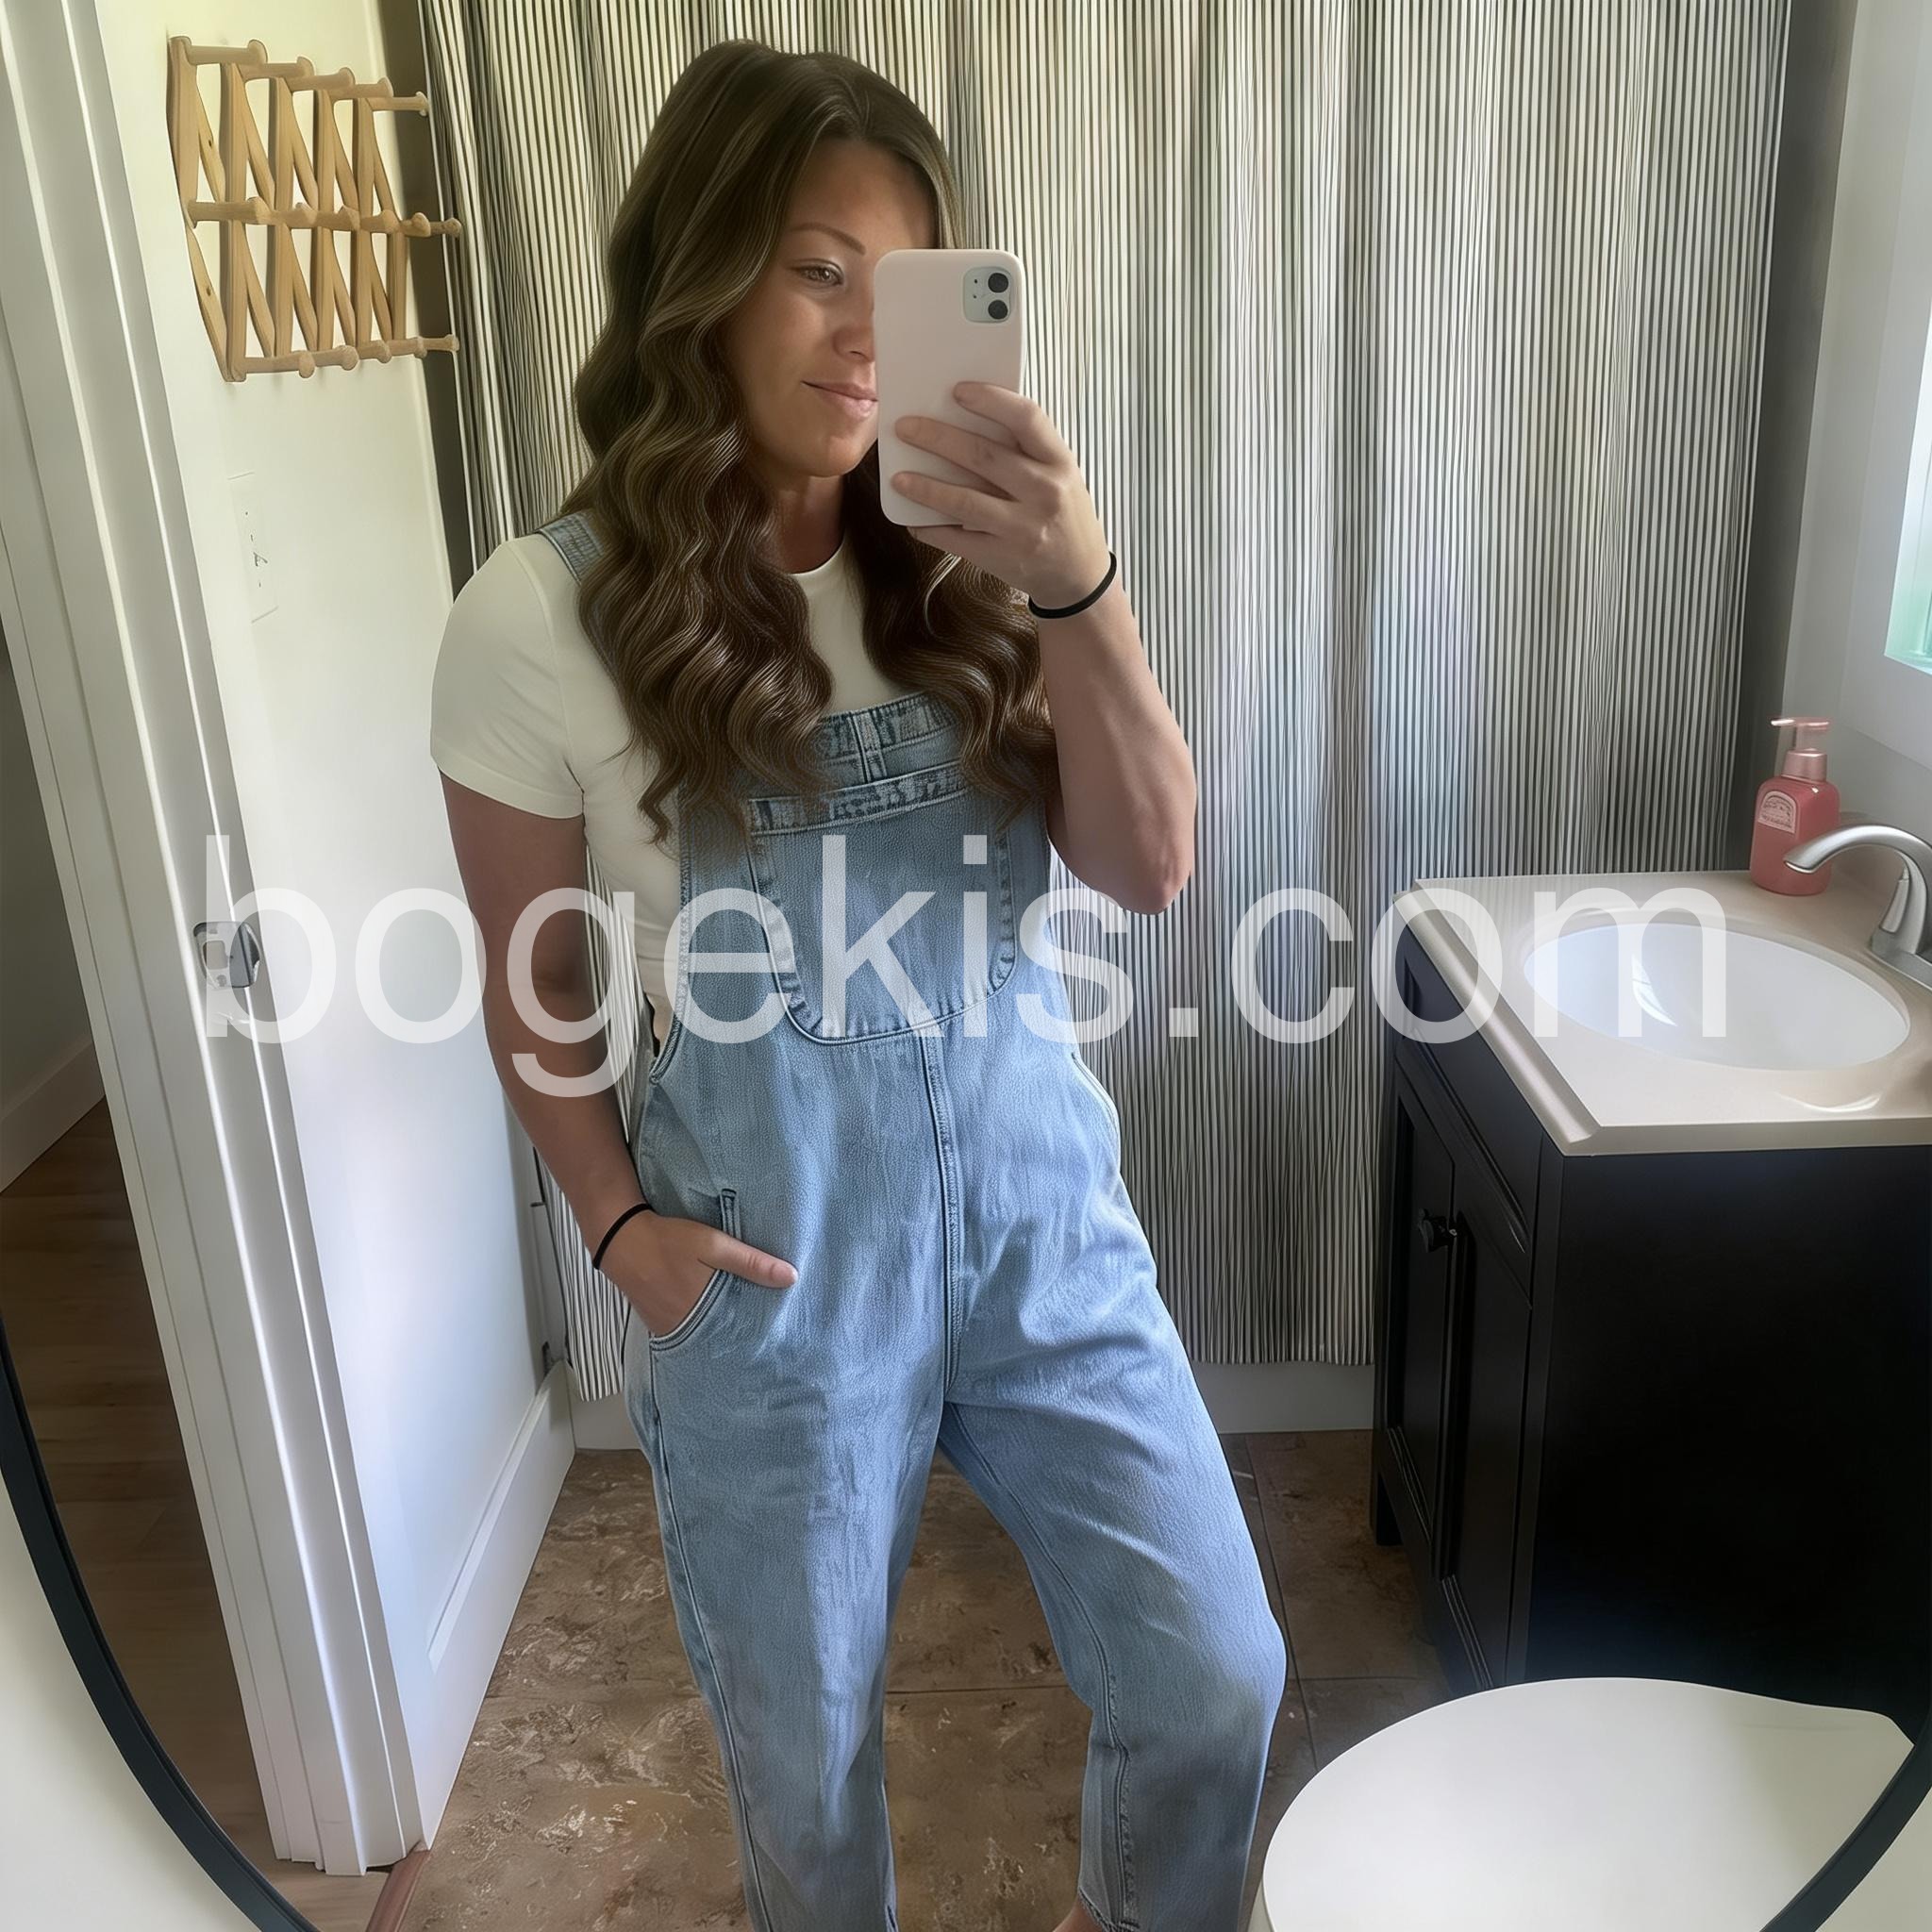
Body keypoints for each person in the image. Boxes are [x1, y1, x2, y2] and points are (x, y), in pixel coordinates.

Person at [430, 38, 1286, 1932]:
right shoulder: (541, 615)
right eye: (817, 269)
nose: (860, 335)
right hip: (774, 1268)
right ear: (700, 280)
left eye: (898, 286)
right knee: (806, 1784)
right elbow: (530, 974)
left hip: (1040, 1220)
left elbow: (1150, 865)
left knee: (1216, 1676)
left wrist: (1079, 582)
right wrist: (618, 1230)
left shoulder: (979, 561)